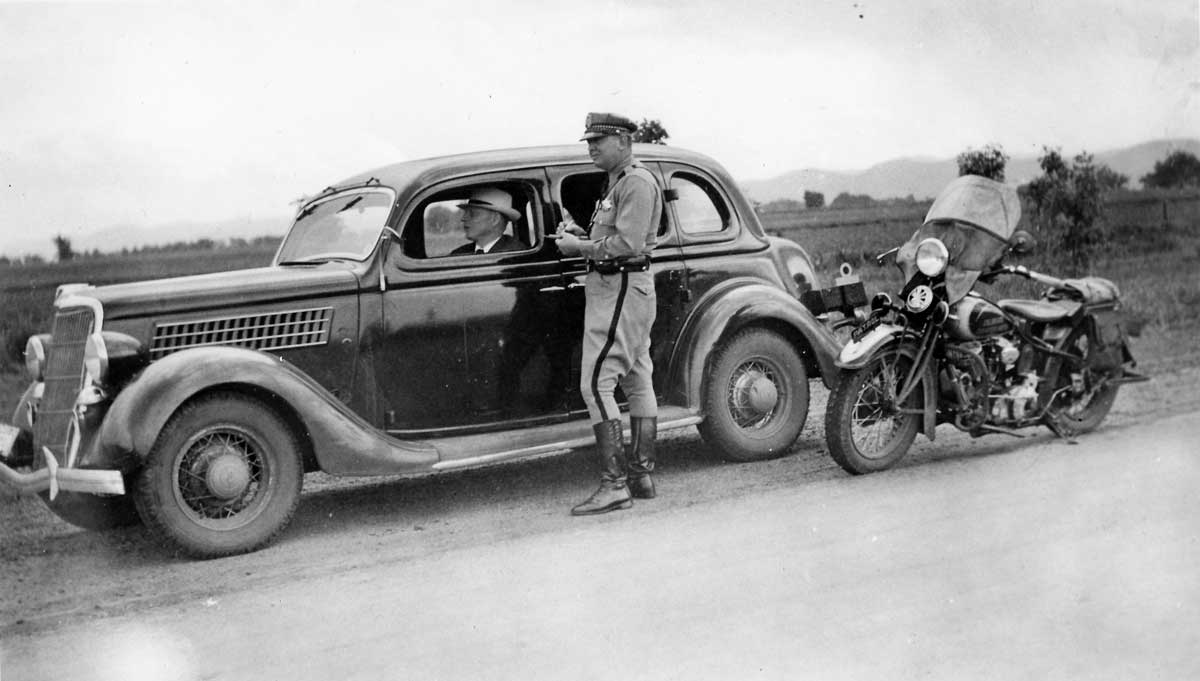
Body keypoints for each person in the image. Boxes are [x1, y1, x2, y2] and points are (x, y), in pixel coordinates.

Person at [554, 112, 663, 516]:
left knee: (596, 383)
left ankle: (615, 484)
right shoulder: (619, 180)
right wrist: (586, 237)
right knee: (637, 376)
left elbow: (628, 244)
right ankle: (641, 476)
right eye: (588, 141)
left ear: (623, 140)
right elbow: (615, 236)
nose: (591, 147)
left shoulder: (633, 181)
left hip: (619, 287)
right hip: (623, 287)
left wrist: (576, 249)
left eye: (598, 141)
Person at [450, 188, 525, 255]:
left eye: (473, 213)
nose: (463, 218)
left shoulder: (517, 254)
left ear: (495, 219)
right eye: (466, 212)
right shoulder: (459, 254)